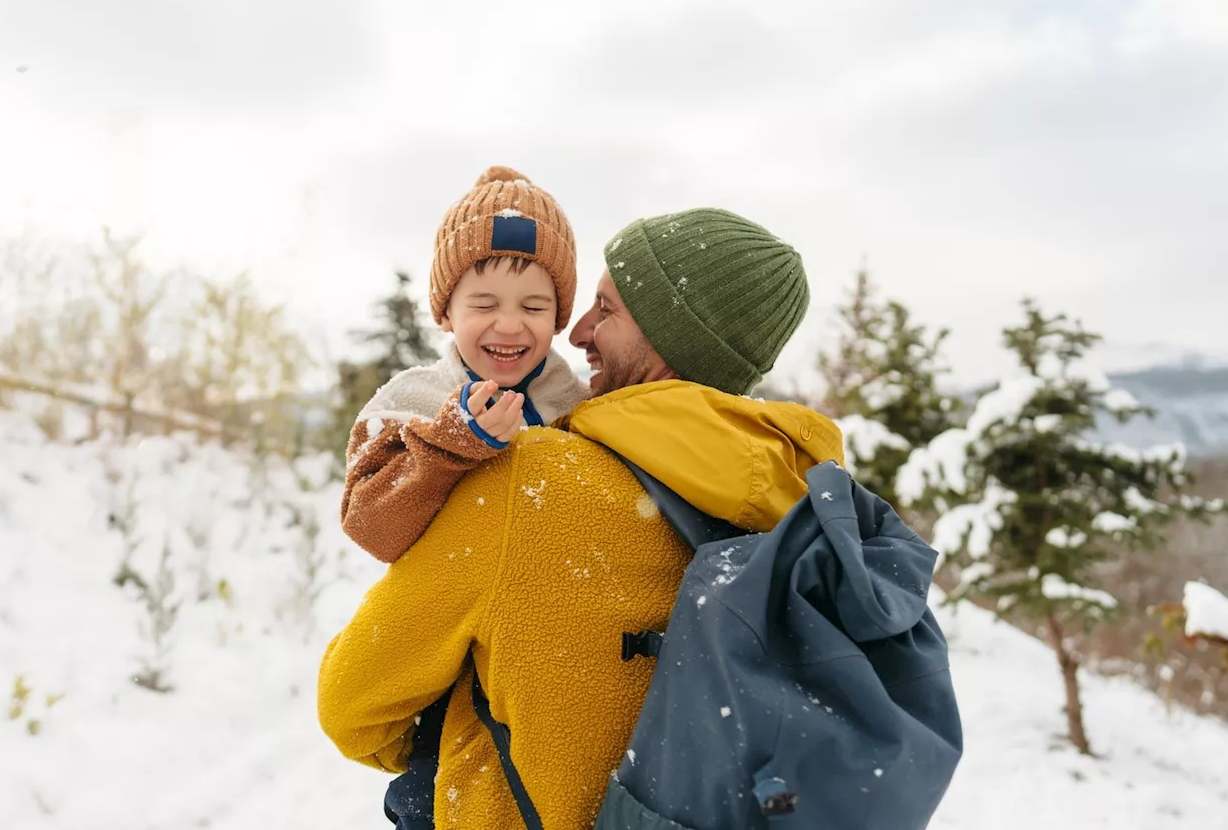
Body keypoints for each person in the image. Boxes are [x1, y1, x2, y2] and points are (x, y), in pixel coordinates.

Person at [317, 207, 845, 829]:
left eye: (607, 309)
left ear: (668, 336)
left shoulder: (531, 482)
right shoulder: (803, 503)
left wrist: (445, 736)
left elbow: (353, 705)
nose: (578, 333)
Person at [341, 164, 588, 566]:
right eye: (484, 305)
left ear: (558, 317)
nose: (509, 325)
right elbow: (370, 529)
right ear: (446, 314)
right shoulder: (408, 402)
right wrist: (451, 444)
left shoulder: (582, 409)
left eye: (534, 306)